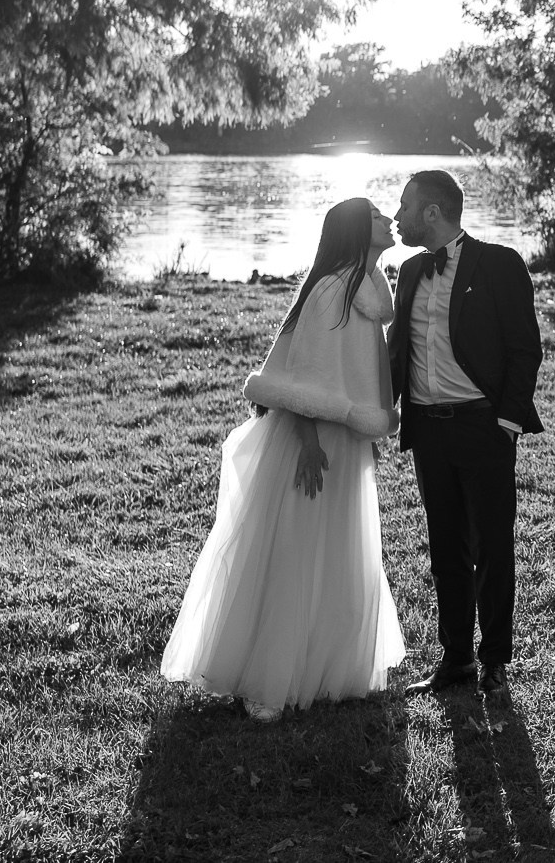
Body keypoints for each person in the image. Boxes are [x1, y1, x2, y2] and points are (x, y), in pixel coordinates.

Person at [160, 197, 406, 720]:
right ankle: (268, 676)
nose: (389, 221)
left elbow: (354, 377)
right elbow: (302, 380)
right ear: (358, 231)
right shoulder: (330, 291)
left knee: (337, 549)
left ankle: (326, 668)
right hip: (311, 439)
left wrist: (368, 431)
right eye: (380, 216)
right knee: (296, 551)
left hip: (344, 437)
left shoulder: (365, 291)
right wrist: (311, 442)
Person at [389, 169, 543, 697]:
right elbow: (395, 354)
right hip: (428, 431)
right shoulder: (407, 270)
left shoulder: (499, 264)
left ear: (432, 212)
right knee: (444, 548)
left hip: (483, 427)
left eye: (405, 205)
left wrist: (506, 423)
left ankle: (495, 659)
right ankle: (455, 660)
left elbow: (525, 349)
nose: (398, 215)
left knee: (492, 546)